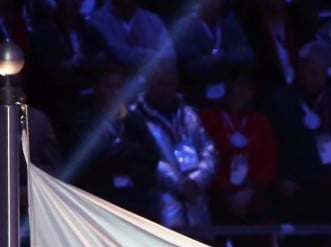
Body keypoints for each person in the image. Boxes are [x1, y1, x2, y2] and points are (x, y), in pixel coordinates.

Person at [263, 40, 331, 226]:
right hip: (293, 192)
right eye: (311, 73)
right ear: (300, 69)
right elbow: (266, 147)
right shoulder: (278, 102)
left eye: (321, 74)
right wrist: (278, 179)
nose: (316, 78)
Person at [67, 62, 160, 220]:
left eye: (119, 87)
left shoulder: (132, 118)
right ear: (97, 89)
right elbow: (94, 160)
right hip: (98, 194)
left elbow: (152, 154)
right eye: (109, 87)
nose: (114, 92)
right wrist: (130, 150)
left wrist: (119, 151)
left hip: (133, 194)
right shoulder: (84, 120)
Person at [134, 59, 218, 230]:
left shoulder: (189, 114)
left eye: (170, 83)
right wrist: (179, 183)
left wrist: (196, 181)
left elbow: (209, 151)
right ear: (148, 82)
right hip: (161, 205)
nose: (165, 89)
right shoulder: (136, 116)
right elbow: (145, 159)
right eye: (160, 83)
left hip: (196, 203)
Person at [199, 67, 277, 227]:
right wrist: (227, 195)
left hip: (253, 201)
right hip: (216, 200)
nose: (242, 92)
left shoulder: (261, 123)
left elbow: (270, 160)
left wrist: (251, 190)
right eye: (239, 85)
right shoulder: (207, 118)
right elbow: (205, 158)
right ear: (228, 87)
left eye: (249, 88)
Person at [28, 0, 110, 148]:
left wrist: (77, 66)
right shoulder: (43, 33)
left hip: (94, 102)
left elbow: (103, 62)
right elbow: (53, 73)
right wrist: (84, 68)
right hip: (60, 107)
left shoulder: (89, 31)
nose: (74, 2)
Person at [175, 0, 256, 108]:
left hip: (229, 96)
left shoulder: (230, 25)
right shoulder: (185, 26)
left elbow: (247, 56)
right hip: (196, 96)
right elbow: (191, 66)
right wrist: (227, 58)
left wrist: (218, 58)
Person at [87, 0, 175, 72]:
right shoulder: (97, 20)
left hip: (153, 80)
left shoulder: (153, 20)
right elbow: (117, 51)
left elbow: (169, 54)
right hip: (117, 84)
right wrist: (154, 57)